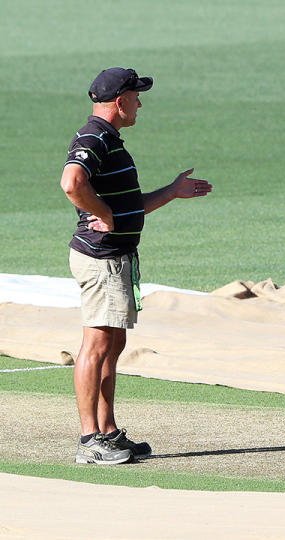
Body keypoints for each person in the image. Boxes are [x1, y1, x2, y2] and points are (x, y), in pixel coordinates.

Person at [61, 67, 212, 464]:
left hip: (117, 259)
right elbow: (72, 182)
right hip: (101, 259)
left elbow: (131, 206)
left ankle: (108, 431)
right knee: (96, 345)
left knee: (114, 344)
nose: (140, 103)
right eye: (136, 96)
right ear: (119, 101)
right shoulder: (93, 137)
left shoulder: (109, 139)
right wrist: (105, 214)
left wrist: (172, 192)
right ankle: (89, 441)